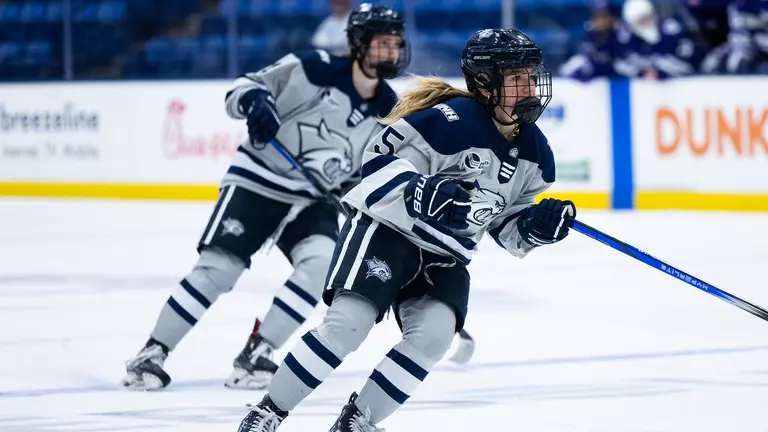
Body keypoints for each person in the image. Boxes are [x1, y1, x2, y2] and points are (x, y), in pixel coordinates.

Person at [236, 28, 577, 432]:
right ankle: (267, 414)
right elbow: (377, 162)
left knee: (434, 336)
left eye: (531, 75)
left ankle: (357, 422)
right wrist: (422, 191)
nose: (530, 86)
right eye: (516, 77)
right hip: (389, 232)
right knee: (348, 326)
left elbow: (506, 226)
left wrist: (536, 227)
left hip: (446, 256)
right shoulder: (446, 122)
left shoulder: (538, 156)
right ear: (485, 84)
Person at [121, 3, 410, 391]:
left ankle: (258, 352)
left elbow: (364, 175)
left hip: (311, 200)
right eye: (382, 43)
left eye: (395, 44)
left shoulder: (387, 110)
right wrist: (255, 103)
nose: (391, 52)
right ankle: (152, 352)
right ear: (358, 42)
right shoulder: (315, 68)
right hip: (258, 182)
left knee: (321, 266)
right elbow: (244, 88)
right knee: (220, 269)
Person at [614, 0, 707, 79]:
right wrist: (641, 73)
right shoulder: (627, 41)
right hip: (644, 91)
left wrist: (662, 73)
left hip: (679, 86)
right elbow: (620, 65)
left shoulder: (671, 32)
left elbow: (689, 65)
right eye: (641, 21)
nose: (647, 23)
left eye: (648, 17)